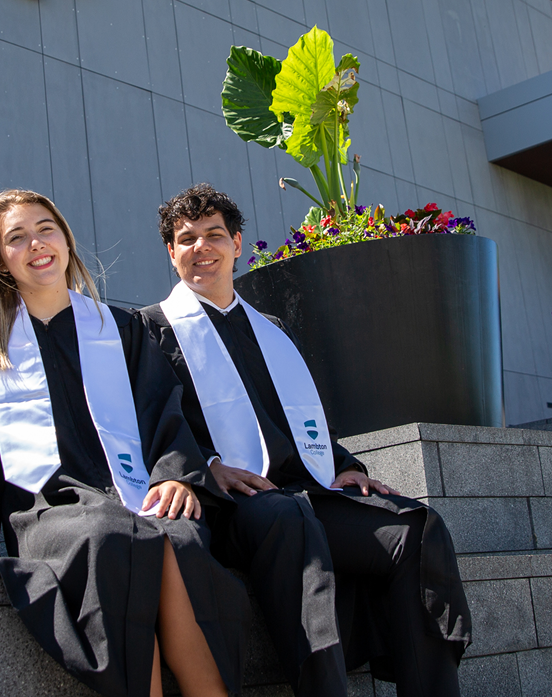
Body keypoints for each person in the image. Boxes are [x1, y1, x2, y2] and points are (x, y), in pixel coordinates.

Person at [0, 189, 249, 697]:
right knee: (111, 534)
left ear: (65, 240)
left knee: (176, 538)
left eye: (46, 229)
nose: (37, 244)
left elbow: (162, 411)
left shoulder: (121, 329)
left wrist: (175, 475)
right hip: (48, 512)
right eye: (17, 238)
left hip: (136, 497)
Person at [136, 184, 471, 697]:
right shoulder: (151, 330)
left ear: (237, 244)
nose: (201, 247)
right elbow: (149, 420)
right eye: (187, 239)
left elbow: (302, 415)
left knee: (415, 528)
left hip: (304, 493)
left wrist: (344, 463)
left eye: (213, 235)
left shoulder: (271, 329)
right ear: (171, 253)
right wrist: (204, 466)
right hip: (233, 504)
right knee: (285, 516)